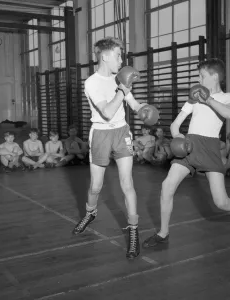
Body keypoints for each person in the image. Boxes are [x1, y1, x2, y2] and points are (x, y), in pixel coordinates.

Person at [142, 58, 230, 249]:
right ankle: (163, 233)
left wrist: (207, 99)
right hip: (189, 146)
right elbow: (175, 124)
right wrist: (178, 139)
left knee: (222, 202)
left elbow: (229, 114)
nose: (198, 79)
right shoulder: (194, 97)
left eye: (202, 75)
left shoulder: (227, 97)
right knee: (167, 186)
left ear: (215, 76)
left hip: (210, 149)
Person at [71, 37, 154, 260]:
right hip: (100, 133)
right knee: (96, 186)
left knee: (127, 183)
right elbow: (107, 112)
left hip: (121, 132)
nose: (121, 59)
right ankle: (90, 213)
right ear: (105, 56)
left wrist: (145, 110)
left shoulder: (120, 78)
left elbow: (134, 106)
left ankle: (134, 230)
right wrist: (122, 88)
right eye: (118, 55)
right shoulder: (91, 82)